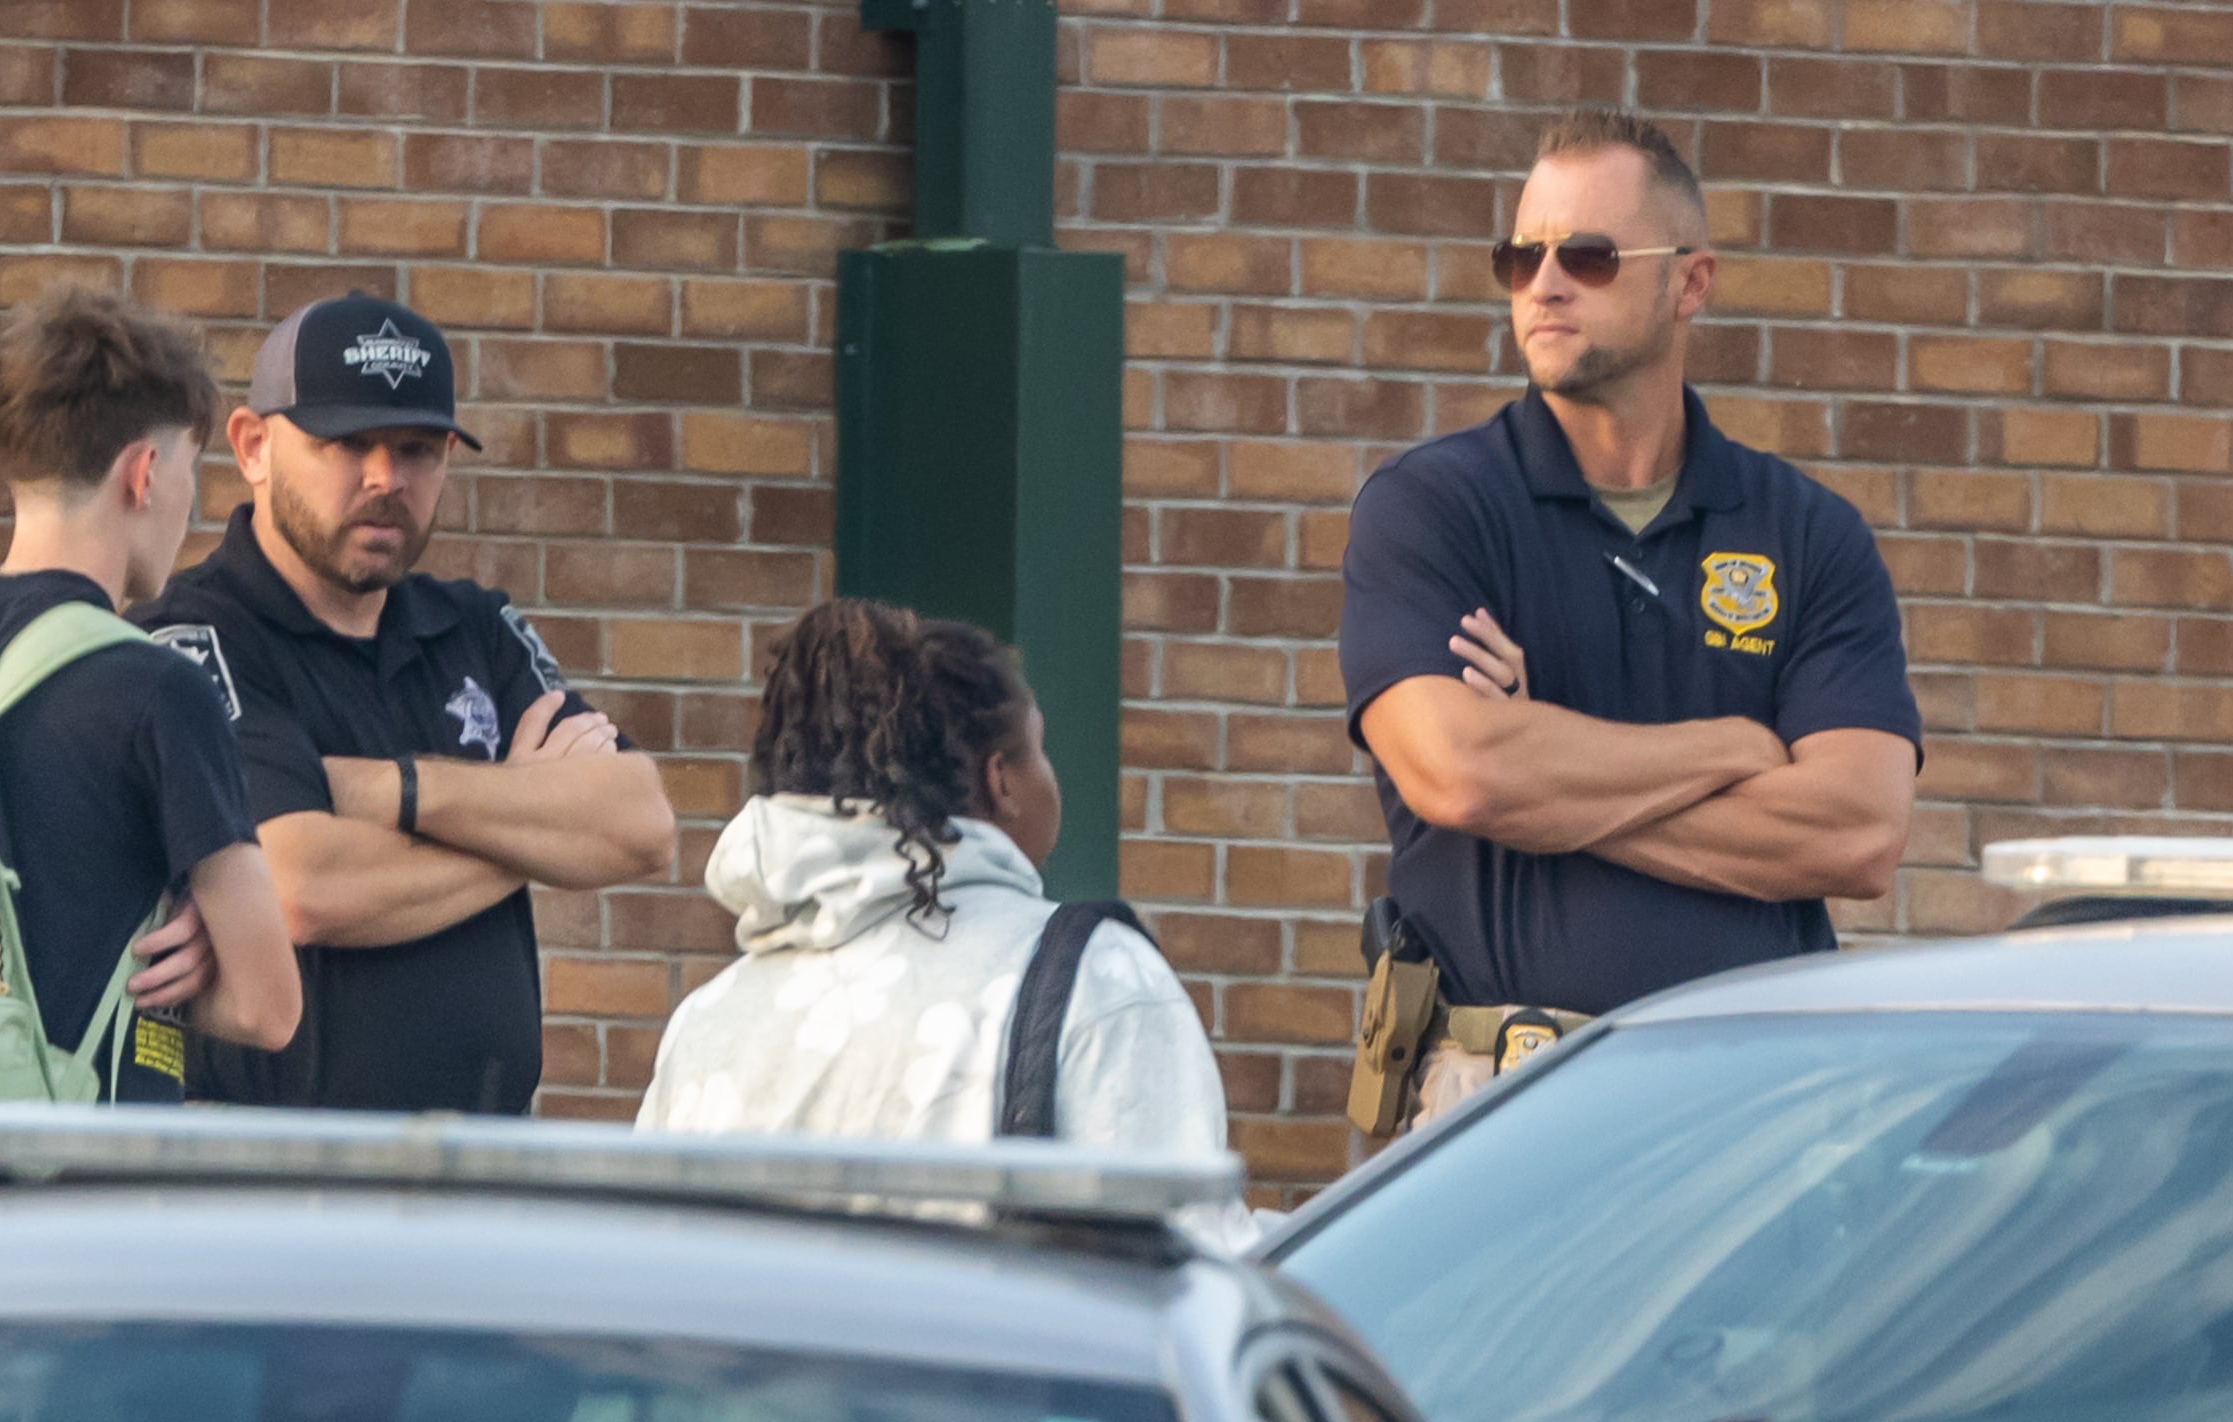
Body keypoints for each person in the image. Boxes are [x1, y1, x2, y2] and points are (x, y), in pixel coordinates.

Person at [1338, 107, 1920, 1135]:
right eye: (1521, 256)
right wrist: (1734, 748)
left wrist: (1546, 765)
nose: (1545, 284)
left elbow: (1860, 832)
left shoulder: (1808, 534)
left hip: (1754, 1113)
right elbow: (1462, 774)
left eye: (1590, 255)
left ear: (1691, 282)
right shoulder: (1433, 508)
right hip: (1496, 1103)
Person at [138, 293, 677, 1115]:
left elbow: (640, 827)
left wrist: (388, 791)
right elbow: (297, 885)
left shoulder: (476, 628)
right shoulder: (196, 634)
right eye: (348, 443)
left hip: (484, 1179)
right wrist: (531, 831)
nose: (386, 477)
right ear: (253, 446)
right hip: (276, 1179)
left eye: (418, 449)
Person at [634, 598, 1235, 1188]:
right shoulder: (1098, 976)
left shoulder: (707, 1023)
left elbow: (653, 1264)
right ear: (1001, 781)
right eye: (1040, 748)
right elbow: (1187, 1257)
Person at [0, 284, 297, 1097]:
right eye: (191, 469)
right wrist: (189, 972)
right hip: (80, 1181)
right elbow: (270, 1007)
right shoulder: (161, 690)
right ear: (145, 472)